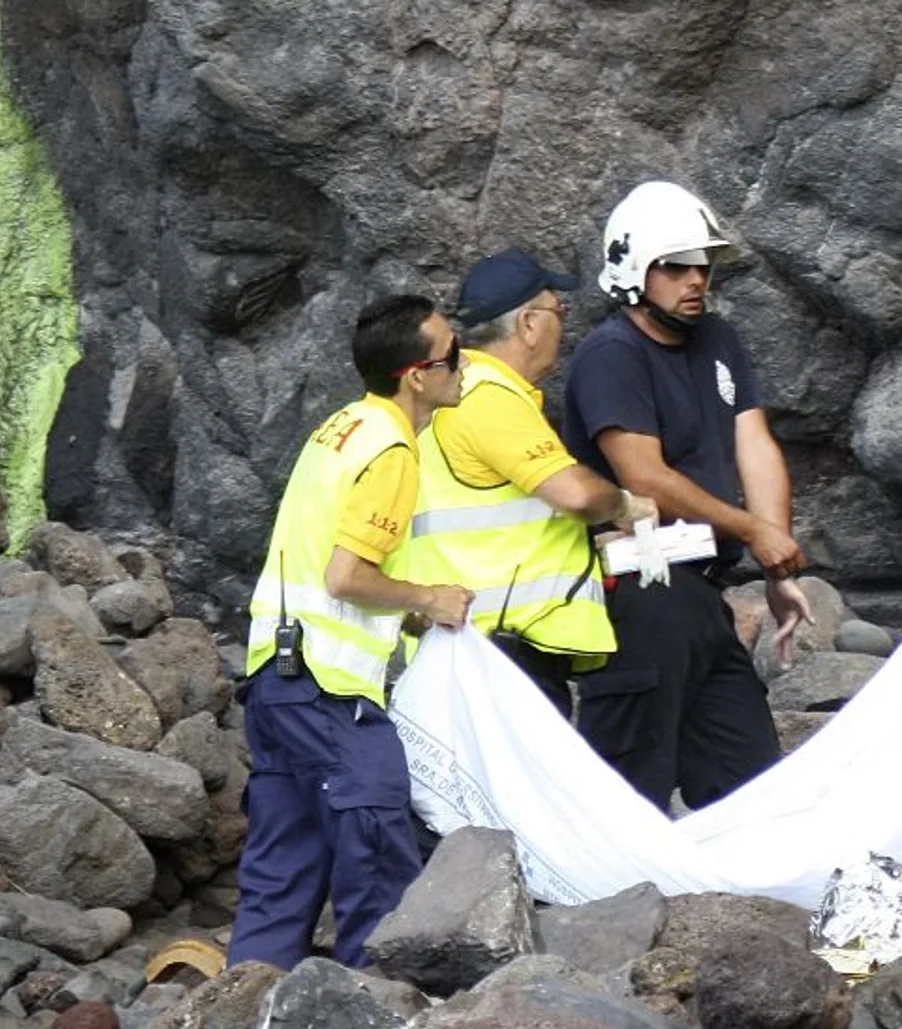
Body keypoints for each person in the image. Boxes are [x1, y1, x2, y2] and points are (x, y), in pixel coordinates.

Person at [229, 294, 474, 970]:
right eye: (453, 356)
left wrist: (406, 610)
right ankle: (372, 1012)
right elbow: (345, 576)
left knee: (281, 868)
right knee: (376, 856)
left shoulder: (340, 428)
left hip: (275, 682)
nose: (464, 365)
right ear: (416, 376)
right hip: (329, 692)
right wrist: (429, 598)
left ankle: (246, 1005)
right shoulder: (392, 450)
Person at [561, 179, 814, 811]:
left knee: (748, 784)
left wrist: (776, 563)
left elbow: (754, 446)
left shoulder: (718, 340)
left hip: (703, 592)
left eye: (702, 266)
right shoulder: (610, 356)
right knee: (627, 788)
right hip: (639, 593)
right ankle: (599, 881)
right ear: (632, 270)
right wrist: (752, 531)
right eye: (674, 267)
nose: (695, 280)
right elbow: (643, 476)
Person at [386, 249, 657, 717]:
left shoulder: (451, 393)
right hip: (500, 655)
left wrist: (589, 548)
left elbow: (494, 525)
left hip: (464, 648)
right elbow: (577, 494)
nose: (562, 326)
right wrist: (625, 506)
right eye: (558, 311)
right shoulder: (489, 395)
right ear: (528, 324)